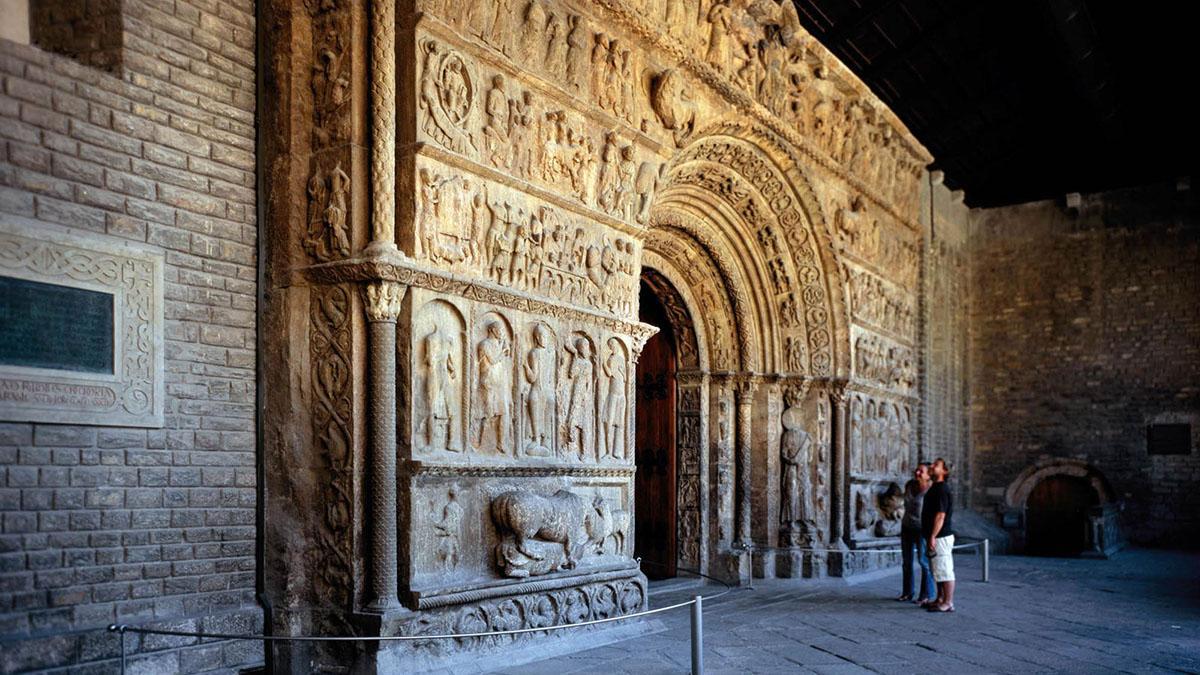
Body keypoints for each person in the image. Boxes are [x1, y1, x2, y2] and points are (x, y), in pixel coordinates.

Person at [921, 458, 955, 612]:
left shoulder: (942, 489)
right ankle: (940, 598)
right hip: (934, 535)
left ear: (944, 471)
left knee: (945, 568)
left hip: (941, 535)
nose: (932, 466)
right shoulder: (935, 487)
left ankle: (948, 602)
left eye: (936, 465)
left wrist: (933, 536)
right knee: (938, 569)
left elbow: (940, 515)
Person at [897, 463, 934, 603]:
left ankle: (925, 594)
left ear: (928, 474)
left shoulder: (931, 489)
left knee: (923, 561)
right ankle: (907, 592)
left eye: (921, 471)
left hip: (922, 528)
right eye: (917, 469)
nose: (917, 472)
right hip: (906, 526)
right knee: (906, 561)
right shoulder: (909, 485)